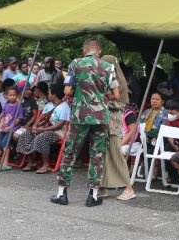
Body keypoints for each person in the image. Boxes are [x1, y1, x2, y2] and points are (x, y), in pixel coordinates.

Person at [51, 39, 118, 207]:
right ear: (99, 51)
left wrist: (77, 96)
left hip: (80, 115)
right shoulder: (108, 67)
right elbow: (116, 94)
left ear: (84, 50)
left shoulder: (75, 64)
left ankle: (62, 193)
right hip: (101, 116)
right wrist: (102, 99)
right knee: (97, 154)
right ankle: (93, 196)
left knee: (70, 152)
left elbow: (67, 90)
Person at [100, 55, 136, 201]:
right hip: (104, 125)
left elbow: (119, 105)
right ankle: (103, 186)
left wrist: (103, 101)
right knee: (103, 156)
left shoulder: (119, 83)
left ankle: (129, 188)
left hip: (114, 127)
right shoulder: (108, 80)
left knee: (116, 156)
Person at [0, 86, 24, 170]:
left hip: (12, 128)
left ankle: (5, 163)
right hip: (4, 128)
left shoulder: (18, 106)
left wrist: (10, 127)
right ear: (7, 96)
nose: (12, 97)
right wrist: (1, 125)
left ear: (17, 96)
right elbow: (3, 116)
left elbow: (19, 119)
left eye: (14, 95)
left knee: (5, 143)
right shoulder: (6, 105)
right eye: (10, 95)